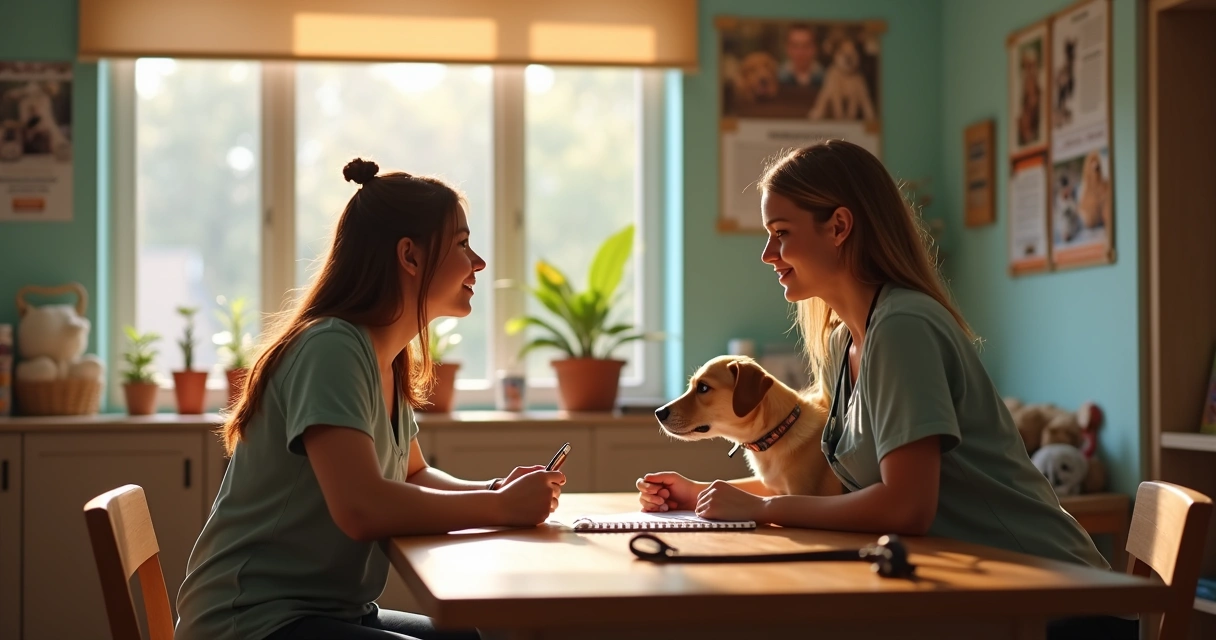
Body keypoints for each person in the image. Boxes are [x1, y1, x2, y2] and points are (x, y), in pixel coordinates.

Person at [636, 140, 1135, 640]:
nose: (768, 255)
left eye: (781, 234)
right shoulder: (842, 343)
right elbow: (835, 489)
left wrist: (763, 510)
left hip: (1056, 603)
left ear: (839, 227)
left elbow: (905, 508)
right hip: (987, 597)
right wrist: (704, 495)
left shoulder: (903, 329)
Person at [175, 158, 566, 640]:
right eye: (463, 244)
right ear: (410, 256)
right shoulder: (332, 348)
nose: (478, 262)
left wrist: (492, 490)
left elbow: (413, 473)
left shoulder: (383, 355)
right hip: (252, 621)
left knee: (466, 636)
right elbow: (361, 508)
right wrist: (501, 508)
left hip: (328, 612)